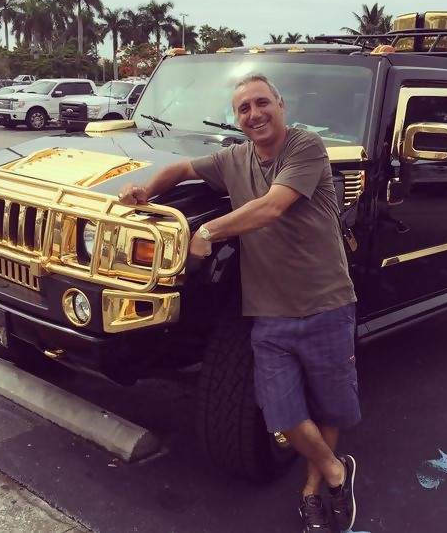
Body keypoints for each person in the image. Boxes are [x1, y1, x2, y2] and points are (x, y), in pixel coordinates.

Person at [119, 73, 361, 533]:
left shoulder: (305, 146)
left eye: (261, 102)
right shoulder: (234, 158)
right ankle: (336, 471)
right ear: (237, 118)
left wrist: (208, 231)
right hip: (268, 311)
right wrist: (147, 191)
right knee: (283, 413)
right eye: (244, 108)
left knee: (328, 407)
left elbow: (272, 206)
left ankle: (312, 493)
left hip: (325, 302)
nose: (254, 114)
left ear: (280, 104)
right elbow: (182, 168)